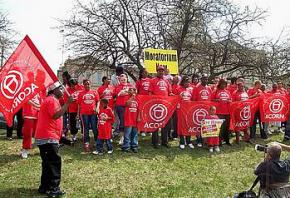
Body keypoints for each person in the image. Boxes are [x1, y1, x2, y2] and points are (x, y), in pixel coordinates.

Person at [34, 81, 73, 197]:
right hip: (48, 137)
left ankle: (44, 187)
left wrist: (62, 138)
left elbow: (53, 121)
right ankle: (54, 189)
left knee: (47, 164)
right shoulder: (52, 100)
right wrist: (67, 103)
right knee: (54, 163)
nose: (62, 90)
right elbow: (55, 115)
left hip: (47, 137)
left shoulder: (50, 100)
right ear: (54, 90)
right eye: (60, 88)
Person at [149, 65, 173, 148]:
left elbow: (170, 92)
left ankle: (164, 141)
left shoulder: (167, 81)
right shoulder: (152, 81)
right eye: (159, 70)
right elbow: (150, 93)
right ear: (157, 71)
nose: (161, 72)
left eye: (162, 70)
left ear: (164, 71)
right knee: (155, 124)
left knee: (166, 124)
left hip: (165, 106)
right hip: (155, 106)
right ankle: (155, 142)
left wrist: (174, 97)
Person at [78, 79, 99, 152]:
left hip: (93, 113)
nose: (87, 85)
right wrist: (78, 114)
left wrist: (97, 108)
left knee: (94, 128)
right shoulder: (81, 93)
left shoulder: (94, 92)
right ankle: (86, 143)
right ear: (83, 85)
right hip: (84, 113)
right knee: (85, 128)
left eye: (88, 84)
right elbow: (79, 105)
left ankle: (97, 141)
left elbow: (98, 101)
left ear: (91, 84)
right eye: (85, 84)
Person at [192, 74, 213, 147]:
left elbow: (211, 99)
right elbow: (194, 99)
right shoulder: (196, 87)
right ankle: (198, 140)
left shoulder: (209, 88)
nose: (205, 80)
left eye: (206, 79)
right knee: (198, 124)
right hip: (199, 109)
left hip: (207, 110)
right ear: (201, 79)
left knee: (205, 124)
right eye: (204, 79)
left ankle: (205, 139)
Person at [114, 74, 135, 145]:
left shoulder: (130, 85)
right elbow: (119, 94)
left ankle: (128, 137)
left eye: (124, 79)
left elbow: (134, 93)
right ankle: (122, 138)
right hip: (120, 106)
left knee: (129, 121)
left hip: (129, 106)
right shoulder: (118, 86)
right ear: (119, 80)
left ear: (127, 78)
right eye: (121, 79)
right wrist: (128, 92)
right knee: (122, 122)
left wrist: (126, 91)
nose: (123, 80)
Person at [20, 93, 42, 159]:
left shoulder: (39, 88)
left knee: (39, 133)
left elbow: (41, 99)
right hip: (29, 113)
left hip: (38, 113)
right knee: (28, 133)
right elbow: (25, 99)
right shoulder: (27, 88)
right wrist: (36, 105)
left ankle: (42, 149)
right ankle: (25, 149)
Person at [212, 79, 232, 146]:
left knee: (227, 127)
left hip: (227, 112)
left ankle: (227, 141)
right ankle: (219, 141)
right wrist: (216, 100)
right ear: (219, 84)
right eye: (222, 84)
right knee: (220, 128)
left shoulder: (228, 92)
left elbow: (231, 100)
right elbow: (211, 100)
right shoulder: (216, 91)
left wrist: (229, 101)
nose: (223, 85)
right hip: (219, 112)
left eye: (225, 84)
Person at [177, 76, 195, 149]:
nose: (187, 83)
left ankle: (188, 141)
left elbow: (193, 100)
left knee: (189, 125)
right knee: (181, 126)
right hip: (181, 110)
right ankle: (182, 141)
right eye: (186, 82)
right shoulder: (178, 89)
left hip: (189, 110)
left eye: (188, 82)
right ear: (183, 82)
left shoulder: (191, 89)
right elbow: (175, 99)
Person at [122, 88, 139, 153]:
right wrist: (132, 97)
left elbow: (139, 108)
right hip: (128, 119)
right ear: (128, 91)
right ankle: (126, 147)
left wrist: (139, 117)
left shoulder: (137, 98)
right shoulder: (126, 97)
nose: (133, 91)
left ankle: (134, 146)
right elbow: (127, 104)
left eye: (134, 90)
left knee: (134, 134)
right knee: (127, 134)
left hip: (135, 119)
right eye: (131, 90)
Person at [135, 68, 150, 137]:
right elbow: (136, 91)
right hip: (141, 100)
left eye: (147, 72)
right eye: (144, 72)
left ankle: (148, 129)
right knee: (141, 115)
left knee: (148, 114)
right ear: (141, 73)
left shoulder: (150, 80)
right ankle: (142, 130)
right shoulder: (139, 81)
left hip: (149, 100)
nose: (146, 73)